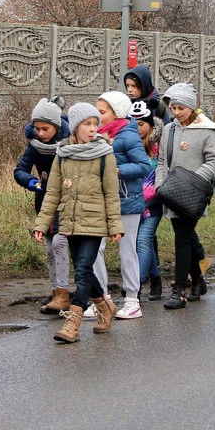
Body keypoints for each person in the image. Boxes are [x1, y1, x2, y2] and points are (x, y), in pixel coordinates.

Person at [32, 103, 124, 343]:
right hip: (70, 221)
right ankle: (105, 307)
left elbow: (111, 194)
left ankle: (73, 322)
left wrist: (115, 226)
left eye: (95, 123)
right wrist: (41, 223)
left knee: (83, 271)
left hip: (95, 222)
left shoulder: (105, 155)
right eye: (87, 124)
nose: (93, 129)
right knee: (85, 271)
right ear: (75, 127)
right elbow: (52, 192)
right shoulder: (63, 155)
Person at [155, 83, 215, 309]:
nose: (176, 112)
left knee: (182, 237)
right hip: (171, 192)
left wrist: (194, 179)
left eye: (180, 108)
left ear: (191, 107)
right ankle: (198, 282)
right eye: (172, 108)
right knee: (186, 236)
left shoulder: (206, 130)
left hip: (193, 193)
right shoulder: (169, 130)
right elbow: (162, 161)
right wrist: (160, 186)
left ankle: (179, 290)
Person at [88, 91, 149, 320]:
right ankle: (102, 299)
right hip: (101, 200)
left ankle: (132, 300)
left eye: (101, 112)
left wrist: (117, 172)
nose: (97, 116)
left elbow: (143, 167)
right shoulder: (96, 136)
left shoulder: (128, 136)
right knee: (95, 249)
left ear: (117, 113)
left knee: (127, 250)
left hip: (127, 202)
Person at [14, 97, 72, 313]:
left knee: (59, 243)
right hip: (44, 200)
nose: (40, 133)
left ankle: (64, 291)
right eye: (37, 128)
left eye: (45, 128)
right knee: (49, 247)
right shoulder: (35, 146)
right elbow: (20, 169)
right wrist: (31, 182)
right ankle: (56, 291)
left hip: (66, 202)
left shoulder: (68, 144)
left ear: (56, 126)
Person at [129, 100, 164, 300]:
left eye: (141, 124)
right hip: (134, 203)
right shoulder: (129, 144)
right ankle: (156, 280)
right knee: (144, 243)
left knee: (142, 240)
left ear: (150, 125)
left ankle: (137, 284)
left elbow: (161, 174)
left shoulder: (158, 147)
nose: (137, 128)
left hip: (153, 205)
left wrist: (149, 195)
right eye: (134, 124)